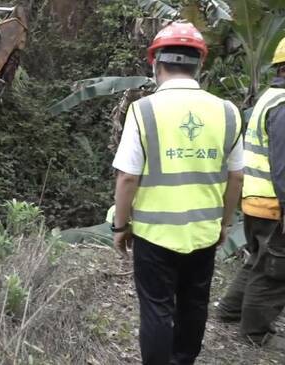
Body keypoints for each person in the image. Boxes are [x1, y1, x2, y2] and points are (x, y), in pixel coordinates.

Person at [111, 22, 244, 364]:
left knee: (157, 309)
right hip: (203, 233)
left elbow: (127, 178)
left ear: (156, 63)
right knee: (194, 303)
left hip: (154, 236)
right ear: (199, 64)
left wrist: (120, 227)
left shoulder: (143, 111)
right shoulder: (227, 111)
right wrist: (225, 225)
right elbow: (236, 177)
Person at [216, 37, 285, 350]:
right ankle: (255, 333)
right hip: (274, 203)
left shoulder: (270, 97)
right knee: (274, 271)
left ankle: (230, 310)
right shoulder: (283, 105)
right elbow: (283, 165)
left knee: (259, 259)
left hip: (257, 198)